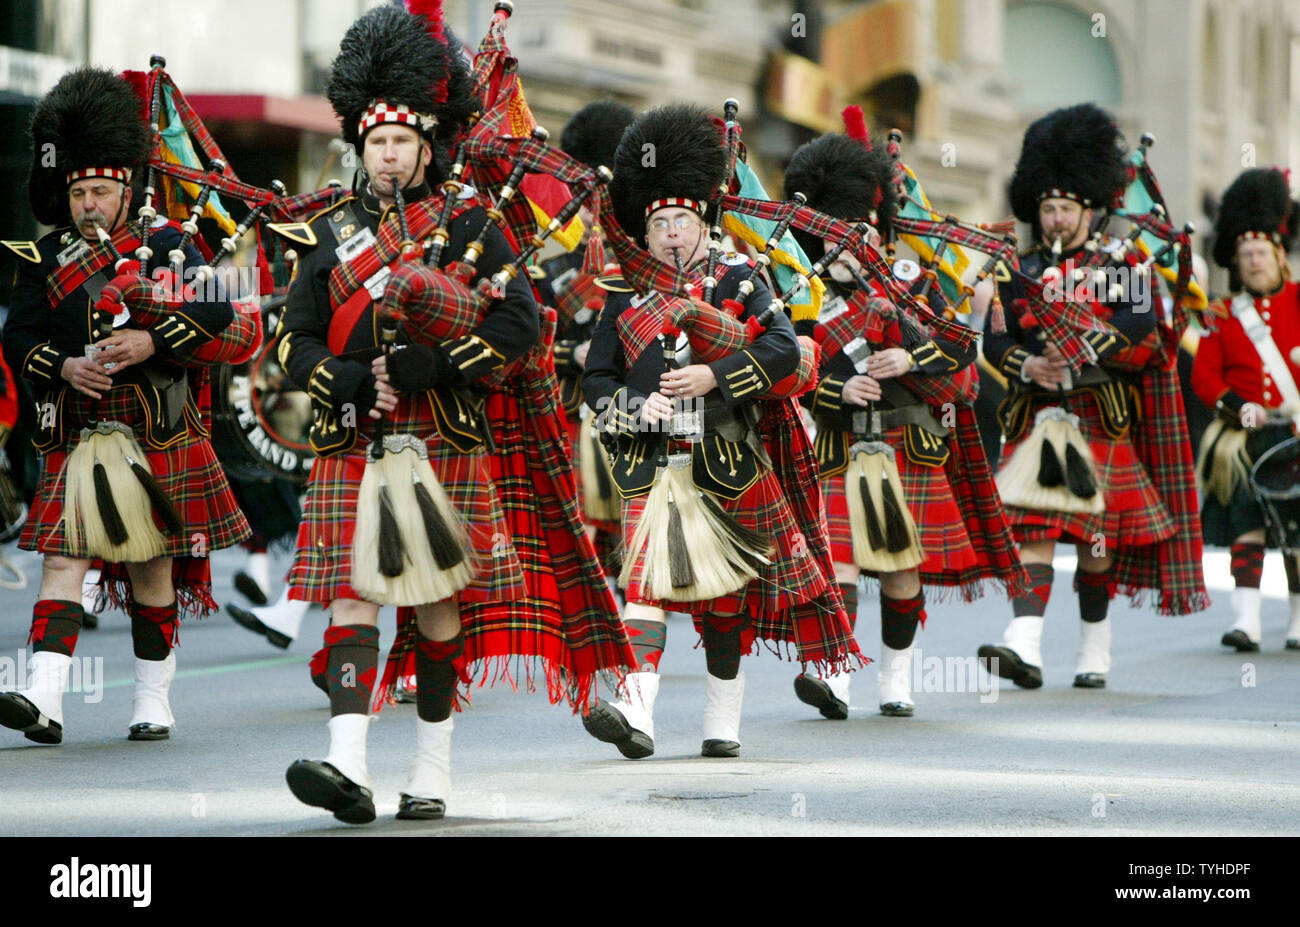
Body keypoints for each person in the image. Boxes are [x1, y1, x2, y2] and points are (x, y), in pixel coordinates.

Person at [278, 3, 631, 824]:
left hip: (445, 438)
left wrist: (434, 363)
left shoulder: (475, 222)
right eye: (376, 142)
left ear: (428, 145)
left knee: (440, 607)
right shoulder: (329, 236)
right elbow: (291, 341)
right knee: (352, 598)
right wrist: (346, 380)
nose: (389, 154)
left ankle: (430, 773)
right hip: (355, 438)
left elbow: (520, 326)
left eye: (403, 141)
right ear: (358, 147)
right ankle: (347, 763)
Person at [581, 103, 859, 758]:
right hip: (653, 462)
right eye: (657, 222)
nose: (670, 232)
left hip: (726, 455)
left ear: (704, 218)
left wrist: (716, 378)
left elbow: (786, 353)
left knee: (724, 598)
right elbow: (594, 379)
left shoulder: (740, 277)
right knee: (643, 583)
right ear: (643, 230)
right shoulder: (624, 292)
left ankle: (721, 722)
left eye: (680, 218)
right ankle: (636, 711)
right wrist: (628, 403)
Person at [0, 67, 252, 744]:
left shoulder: (168, 244)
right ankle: (44, 696)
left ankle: (152, 699)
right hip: (79, 430)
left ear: (126, 189)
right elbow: (18, 334)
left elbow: (216, 305)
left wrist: (149, 340)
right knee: (62, 560)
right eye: (78, 190)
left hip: (156, 431)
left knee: (151, 566)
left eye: (101, 190)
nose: (87, 204)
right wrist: (63, 365)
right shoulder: (43, 257)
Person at [783, 126, 1025, 718]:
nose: (846, 249)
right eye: (835, 238)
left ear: (877, 231)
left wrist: (910, 357)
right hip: (842, 448)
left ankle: (896, 680)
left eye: (856, 235)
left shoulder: (916, 287)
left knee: (899, 572)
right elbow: (790, 374)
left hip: (907, 445)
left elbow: (963, 365)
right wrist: (839, 387)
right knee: (835, 561)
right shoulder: (803, 299)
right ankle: (833, 676)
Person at [978, 103, 1207, 689]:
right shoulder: (1018, 268)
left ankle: (1093, 651)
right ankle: (1023, 645)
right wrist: (1027, 361)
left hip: (1100, 414)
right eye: (1047, 208)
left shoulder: (1122, 261)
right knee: (1032, 528)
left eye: (1065, 209)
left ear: (1089, 208)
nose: (1055, 219)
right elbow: (995, 335)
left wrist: (1083, 348)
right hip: (1039, 412)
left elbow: (1141, 324)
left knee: (1094, 542)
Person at [1192, 168, 1300, 652]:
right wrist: (1238, 408)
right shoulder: (1220, 313)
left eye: (1261, 253)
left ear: (1280, 254)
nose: (1254, 262)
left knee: (1296, 529)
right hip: (1240, 436)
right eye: (1245, 255)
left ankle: (1298, 620)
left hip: (1295, 429)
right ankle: (1246, 622)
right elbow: (1205, 377)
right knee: (1246, 521)